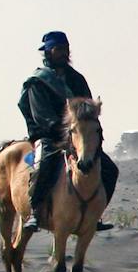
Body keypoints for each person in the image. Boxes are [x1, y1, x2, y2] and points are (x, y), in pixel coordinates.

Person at [18, 31, 118, 232]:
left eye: (65, 49)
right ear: (47, 52)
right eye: (58, 50)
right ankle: (35, 213)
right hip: (49, 135)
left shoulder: (77, 79)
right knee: (43, 164)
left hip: (78, 137)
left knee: (109, 170)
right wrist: (65, 132)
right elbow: (42, 117)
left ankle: (94, 215)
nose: (63, 54)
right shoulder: (37, 82)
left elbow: (88, 108)